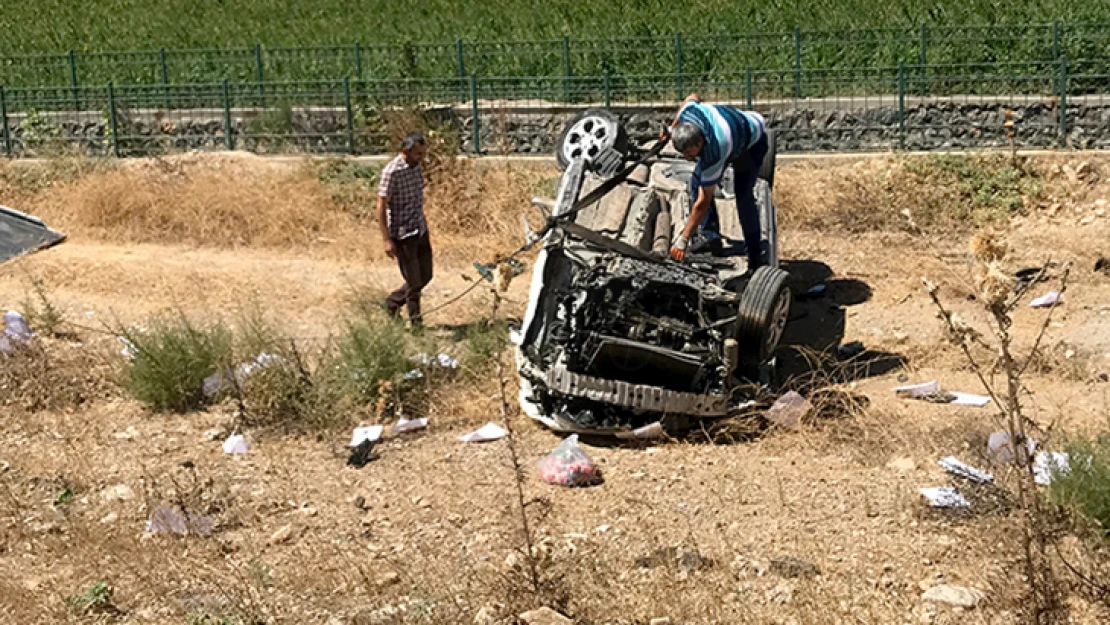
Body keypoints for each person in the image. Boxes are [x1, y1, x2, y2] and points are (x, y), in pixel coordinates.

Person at [664, 93, 768, 269]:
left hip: (751, 142)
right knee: (696, 181)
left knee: (743, 195)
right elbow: (692, 96)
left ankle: (755, 256)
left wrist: (683, 238)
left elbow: (702, 202)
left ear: (700, 142)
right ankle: (711, 239)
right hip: (731, 127)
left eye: (689, 153)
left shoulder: (716, 150)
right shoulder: (688, 114)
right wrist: (671, 130)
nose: (687, 158)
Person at [378, 132, 432, 328]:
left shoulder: (416, 167)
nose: (421, 158)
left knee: (426, 275)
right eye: (418, 154)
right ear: (405, 152)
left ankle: (392, 302)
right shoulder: (392, 172)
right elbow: (381, 206)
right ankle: (416, 324)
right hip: (403, 233)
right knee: (414, 281)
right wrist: (386, 240)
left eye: (423, 153)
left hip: (419, 228)